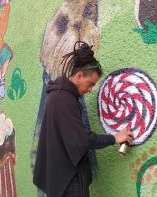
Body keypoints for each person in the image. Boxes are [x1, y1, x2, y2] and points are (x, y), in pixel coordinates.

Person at [33, 41, 133, 197]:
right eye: (90, 83)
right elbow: (81, 140)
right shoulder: (63, 98)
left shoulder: (59, 95)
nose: (90, 89)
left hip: (61, 177)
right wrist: (115, 138)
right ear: (79, 76)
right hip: (68, 179)